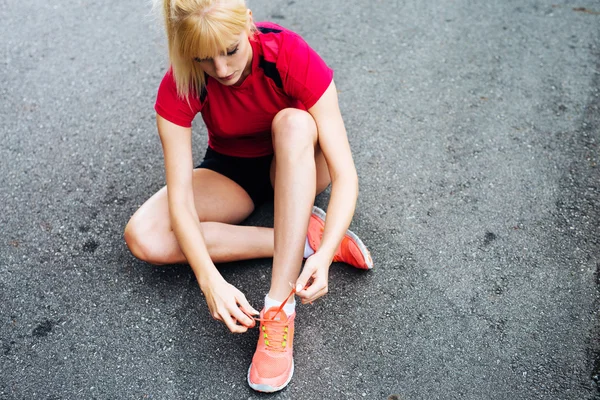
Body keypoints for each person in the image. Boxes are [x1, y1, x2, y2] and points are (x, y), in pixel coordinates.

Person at [124, 0, 373, 393]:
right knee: (145, 236)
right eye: (204, 58)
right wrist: (209, 279)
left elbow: (345, 176)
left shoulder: (287, 52)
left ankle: (280, 305)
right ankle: (309, 237)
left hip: (302, 155)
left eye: (230, 50)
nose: (221, 70)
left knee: (291, 122)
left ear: (249, 24)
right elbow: (181, 203)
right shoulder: (182, 82)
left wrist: (324, 261)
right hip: (233, 168)